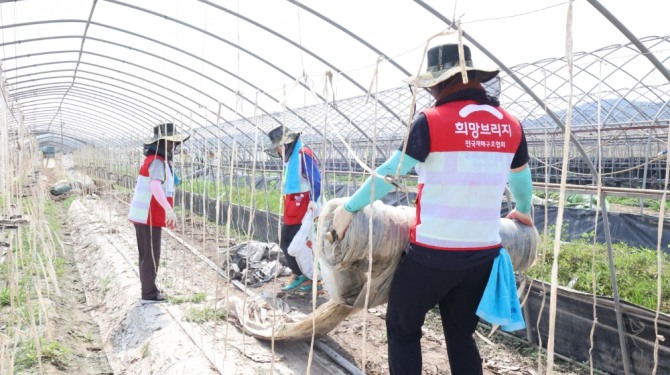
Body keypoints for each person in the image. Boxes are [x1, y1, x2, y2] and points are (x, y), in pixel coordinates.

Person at [331, 43, 534, 374]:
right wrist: (523, 211)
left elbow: (390, 174)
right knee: (460, 334)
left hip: (432, 255)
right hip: (483, 255)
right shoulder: (510, 125)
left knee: (403, 328)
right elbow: (523, 181)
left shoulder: (432, 121)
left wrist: (350, 208)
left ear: (440, 83)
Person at [128, 122, 189, 304]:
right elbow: (155, 185)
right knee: (151, 254)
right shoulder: (156, 161)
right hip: (148, 216)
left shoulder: (159, 161)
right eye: (170, 142)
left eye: (174, 143)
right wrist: (168, 209)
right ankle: (149, 294)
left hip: (147, 216)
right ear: (161, 142)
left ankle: (149, 289)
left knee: (148, 253)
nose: (173, 146)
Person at [266, 126, 322, 292]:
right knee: (292, 243)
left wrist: (314, 200)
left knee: (293, 243)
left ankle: (308, 277)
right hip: (293, 207)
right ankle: (303, 276)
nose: (277, 151)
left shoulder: (303, 154)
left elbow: (315, 179)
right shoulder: (292, 159)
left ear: (287, 144)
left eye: (278, 147)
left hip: (303, 207)